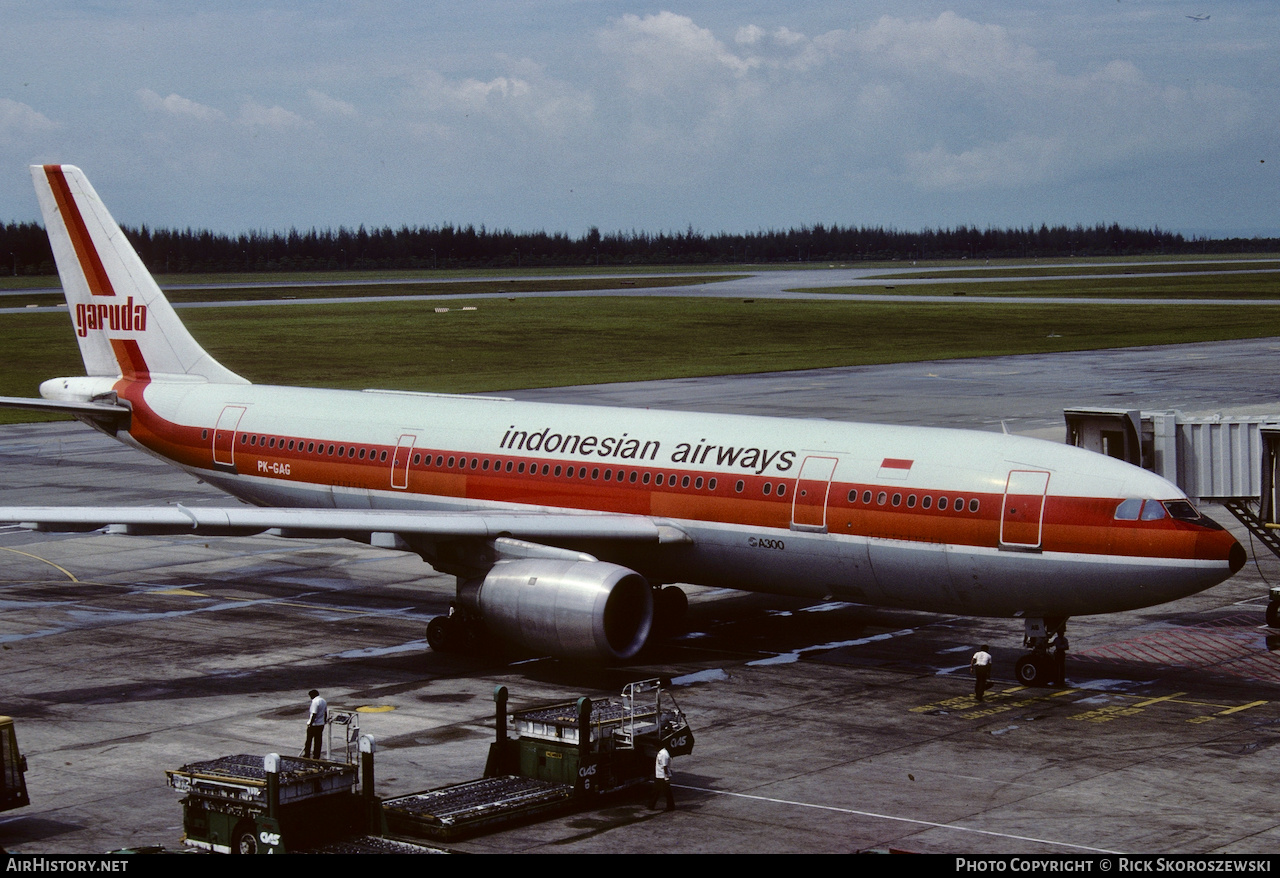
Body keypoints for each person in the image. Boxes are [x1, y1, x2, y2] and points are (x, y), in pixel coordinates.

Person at [648, 745, 674, 811]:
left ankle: (670, 806)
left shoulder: (664, 754)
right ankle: (651, 805)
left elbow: (665, 767)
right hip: (659, 776)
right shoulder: (661, 752)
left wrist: (666, 778)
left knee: (667, 792)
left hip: (662, 777)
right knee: (656, 791)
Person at [304, 689, 327, 759]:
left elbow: (314, 714)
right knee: (318, 741)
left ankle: (307, 754)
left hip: (314, 725)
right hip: (321, 724)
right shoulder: (323, 701)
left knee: (309, 740)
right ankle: (317, 755)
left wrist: (310, 724)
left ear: (313, 695)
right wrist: (324, 721)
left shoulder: (315, 702)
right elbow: (325, 713)